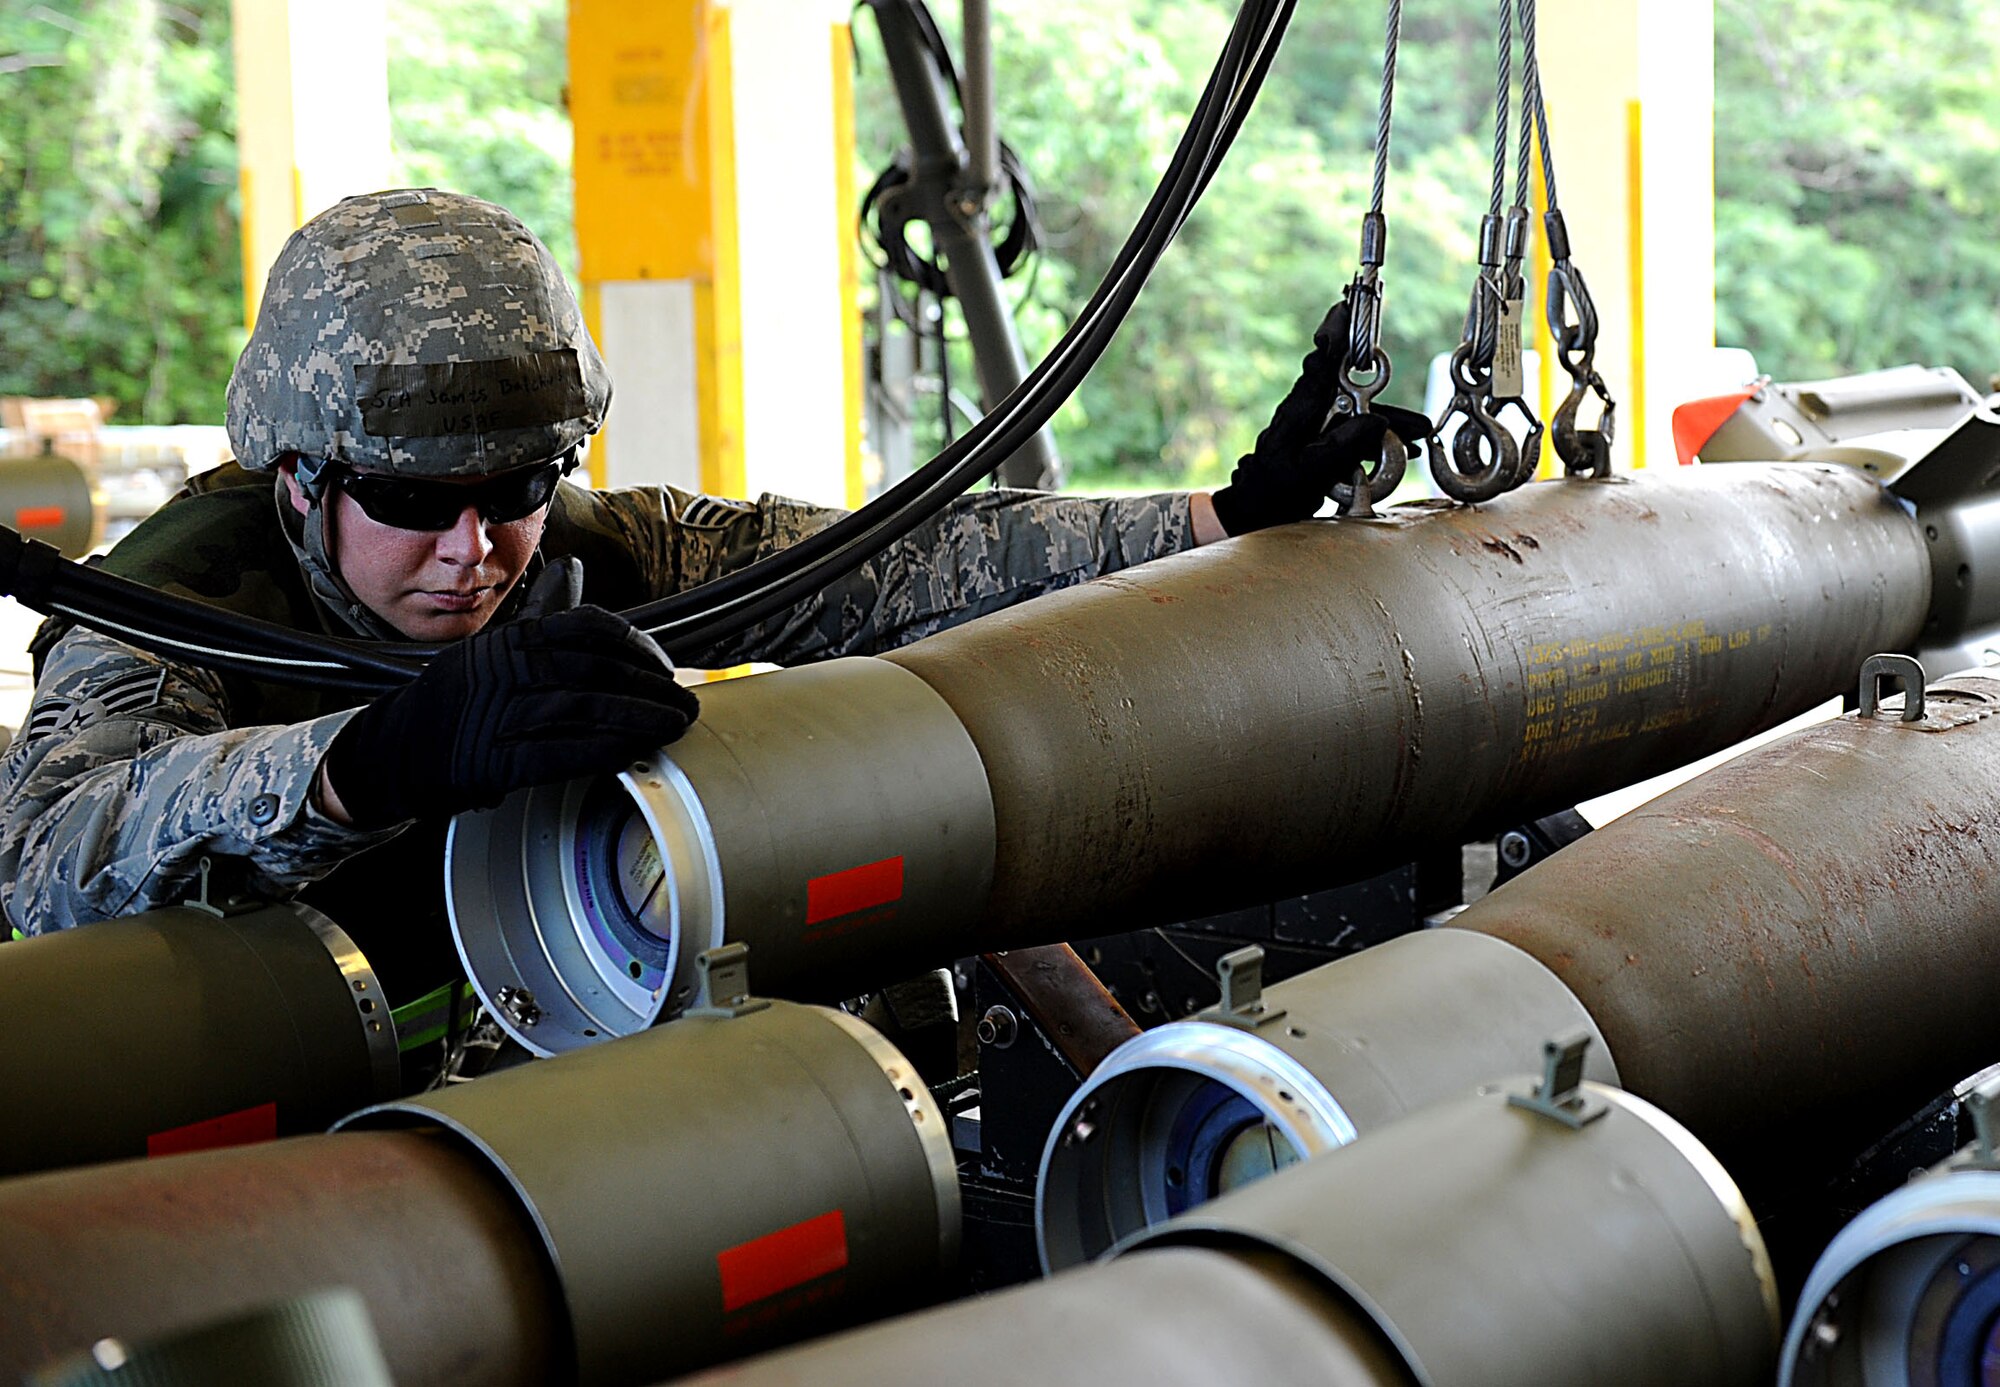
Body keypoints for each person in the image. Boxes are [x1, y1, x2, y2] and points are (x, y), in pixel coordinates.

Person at [0, 188, 1424, 997]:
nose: (478, 550)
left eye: (517, 489)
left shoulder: (592, 550)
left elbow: (892, 568)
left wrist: (1224, 517)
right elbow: (53, 863)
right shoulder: (174, 604)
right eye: (419, 504)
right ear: (301, 479)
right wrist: (374, 762)